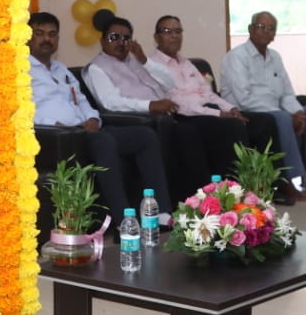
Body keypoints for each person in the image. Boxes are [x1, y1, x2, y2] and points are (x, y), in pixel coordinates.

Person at [27, 13, 170, 231]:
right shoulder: (20, 71)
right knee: (104, 142)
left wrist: (93, 117)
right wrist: (53, 123)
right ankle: (123, 223)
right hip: (57, 137)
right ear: (28, 36)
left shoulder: (60, 69)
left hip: (86, 129)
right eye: (40, 33)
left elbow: (81, 100)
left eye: (52, 34)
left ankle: (159, 213)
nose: (47, 39)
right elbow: (20, 112)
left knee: (145, 137)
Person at [84, 16, 232, 205]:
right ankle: (198, 200)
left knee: (214, 127)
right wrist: (150, 105)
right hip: (139, 121)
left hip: (165, 116)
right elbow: (111, 103)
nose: (121, 42)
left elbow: (169, 83)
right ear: (102, 41)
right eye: (114, 37)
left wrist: (144, 60)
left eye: (126, 38)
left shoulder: (134, 61)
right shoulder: (96, 68)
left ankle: (220, 195)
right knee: (188, 134)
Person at [146, 15, 290, 204]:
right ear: (156, 37)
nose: (174, 36)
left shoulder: (186, 63)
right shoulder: (152, 66)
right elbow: (179, 102)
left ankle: (271, 187)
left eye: (178, 31)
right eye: (167, 31)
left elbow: (209, 93)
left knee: (264, 121)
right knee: (233, 126)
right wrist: (220, 114)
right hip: (186, 116)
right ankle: (234, 192)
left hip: (208, 110)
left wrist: (231, 108)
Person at [220, 11, 306, 197]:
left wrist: (298, 114)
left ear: (274, 35)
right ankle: (286, 184)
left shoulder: (275, 57)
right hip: (246, 114)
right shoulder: (236, 57)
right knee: (282, 118)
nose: (266, 31)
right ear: (250, 29)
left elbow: (287, 93)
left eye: (271, 28)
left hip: (277, 112)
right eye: (261, 27)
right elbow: (244, 98)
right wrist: (288, 117)